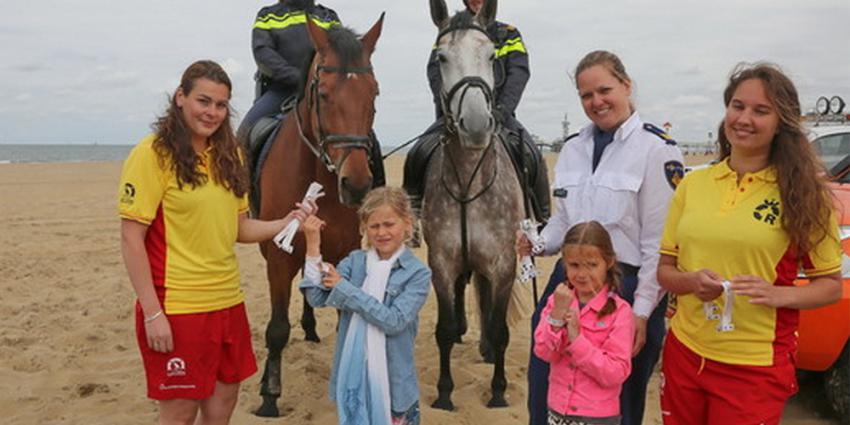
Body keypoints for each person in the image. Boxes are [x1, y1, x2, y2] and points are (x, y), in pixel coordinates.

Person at [118, 60, 314, 425]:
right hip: (178, 307)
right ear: (180, 97)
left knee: (222, 406)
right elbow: (131, 238)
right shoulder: (152, 154)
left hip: (228, 303)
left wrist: (286, 223)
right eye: (203, 101)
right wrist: (153, 313)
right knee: (180, 412)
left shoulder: (230, 155)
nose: (212, 113)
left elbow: (239, 229)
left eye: (221, 105)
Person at [656, 63, 843, 425]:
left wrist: (777, 294)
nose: (744, 119)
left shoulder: (804, 194)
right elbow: (665, 270)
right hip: (685, 354)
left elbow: (830, 287)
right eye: (737, 106)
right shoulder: (693, 185)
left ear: (781, 123)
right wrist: (691, 282)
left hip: (754, 365)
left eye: (761, 110)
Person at [518, 50, 684, 425]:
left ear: (626, 85)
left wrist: (642, 312)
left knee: (618, 401)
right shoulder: (573, 147)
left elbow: (658, 244)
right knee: (544, 389)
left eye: (604, 90)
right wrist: (538, 244)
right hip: (568, 282)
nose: (596, 101)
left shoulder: (657, 149)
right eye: (586, 95)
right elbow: (564, 222)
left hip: (627, 288)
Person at [402, 0, 550, 224]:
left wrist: (501, 111)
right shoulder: (448, 34)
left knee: (531, 154)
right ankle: (410, 224)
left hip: (500, 115)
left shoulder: (509, 34)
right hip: (454, 115)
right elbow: (435, 73)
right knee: (417, 154)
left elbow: (518, 74)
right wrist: (449, 110)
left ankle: (543, 220)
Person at [299, 186, 431, 425]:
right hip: (354, 377)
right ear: (364, 228)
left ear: (407, 223)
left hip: (395, 388)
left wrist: (346, 289)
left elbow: (394, 321)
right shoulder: (354, 262)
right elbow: (316, 298)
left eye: (389, 224)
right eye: (374, 226)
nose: (382, 233)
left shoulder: (418, 273)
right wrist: (313, 244)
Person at [239, 0, 385, 187]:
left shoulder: (328, 17)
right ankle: (240, 190)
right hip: (280, 91)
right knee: (245, 133)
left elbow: (342, 53)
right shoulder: (268, 15)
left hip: (325, 92)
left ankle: (377, 194)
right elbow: (263, 54)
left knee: (366, 138)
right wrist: (300, 78)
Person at [534, 221, 634, 425]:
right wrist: (556, 316)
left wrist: (577, 340)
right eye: (574, 265)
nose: (581, 274)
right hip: (557, 412)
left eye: (592, 265)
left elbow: (616, 372)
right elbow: (544, 352)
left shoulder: (620, 312)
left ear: (609, 262)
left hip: (598, 417)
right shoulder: (556, 301)